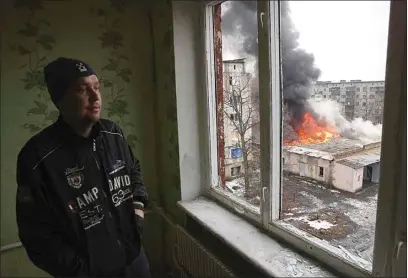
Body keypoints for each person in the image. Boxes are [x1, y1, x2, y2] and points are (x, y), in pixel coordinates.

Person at [15, 57, 150, 278]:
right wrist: (79, 271)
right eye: (82, 90)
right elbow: (36, 234)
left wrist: (137, 209)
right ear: (61, 99)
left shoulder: (113, 133)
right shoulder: (37, 157)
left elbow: (133, 168)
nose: (96, 97)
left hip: (134, 259)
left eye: (97, 87)